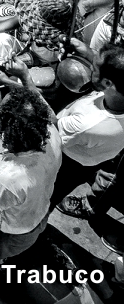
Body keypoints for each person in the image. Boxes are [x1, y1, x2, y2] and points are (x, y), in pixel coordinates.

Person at [0, 87, 62, 263]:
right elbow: (25, 123)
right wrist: (2, 112)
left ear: (6, 130)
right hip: (39, 215)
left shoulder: (6, 176)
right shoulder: (53, 135)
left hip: (11, 233)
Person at [49, 44, 124, 213]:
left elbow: (51, 126)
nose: (90, 68)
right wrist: (82, 48)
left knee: (47, 197)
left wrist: (24, 79)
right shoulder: (118, 94)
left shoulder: (89, 123)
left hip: (67, 162)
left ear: (107, 83)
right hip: (89, 161)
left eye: (94, 68)